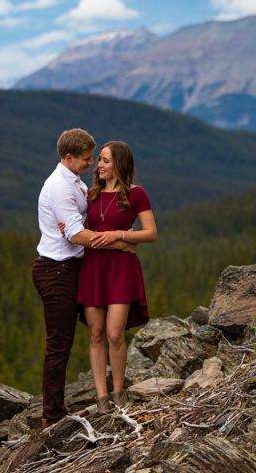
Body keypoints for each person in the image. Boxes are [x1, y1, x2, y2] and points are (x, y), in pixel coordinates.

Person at [32, 129, 133, 428]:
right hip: (56, 270)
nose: (92, 165)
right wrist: (119, 242)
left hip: (74, 268)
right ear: (69, 157)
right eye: (88, 159)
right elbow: (75, 233)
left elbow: (83, 224)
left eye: (95, 159)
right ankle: (53, 415)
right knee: (59, 344)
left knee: (88, 335)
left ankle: (74, 404)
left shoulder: (74, 182)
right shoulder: (59, 188)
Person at [67, 141, 156, 412]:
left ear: (119, 164)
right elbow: (77, 228)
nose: (99, 165)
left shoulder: (135, 194)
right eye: (99, 160)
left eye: (105, 160)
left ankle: (119, 392)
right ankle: (101, 398)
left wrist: (120, 235)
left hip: (121, 269)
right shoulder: (90, 194)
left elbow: (150, 233)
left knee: (115, 333)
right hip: (93, 267)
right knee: (95, 333)